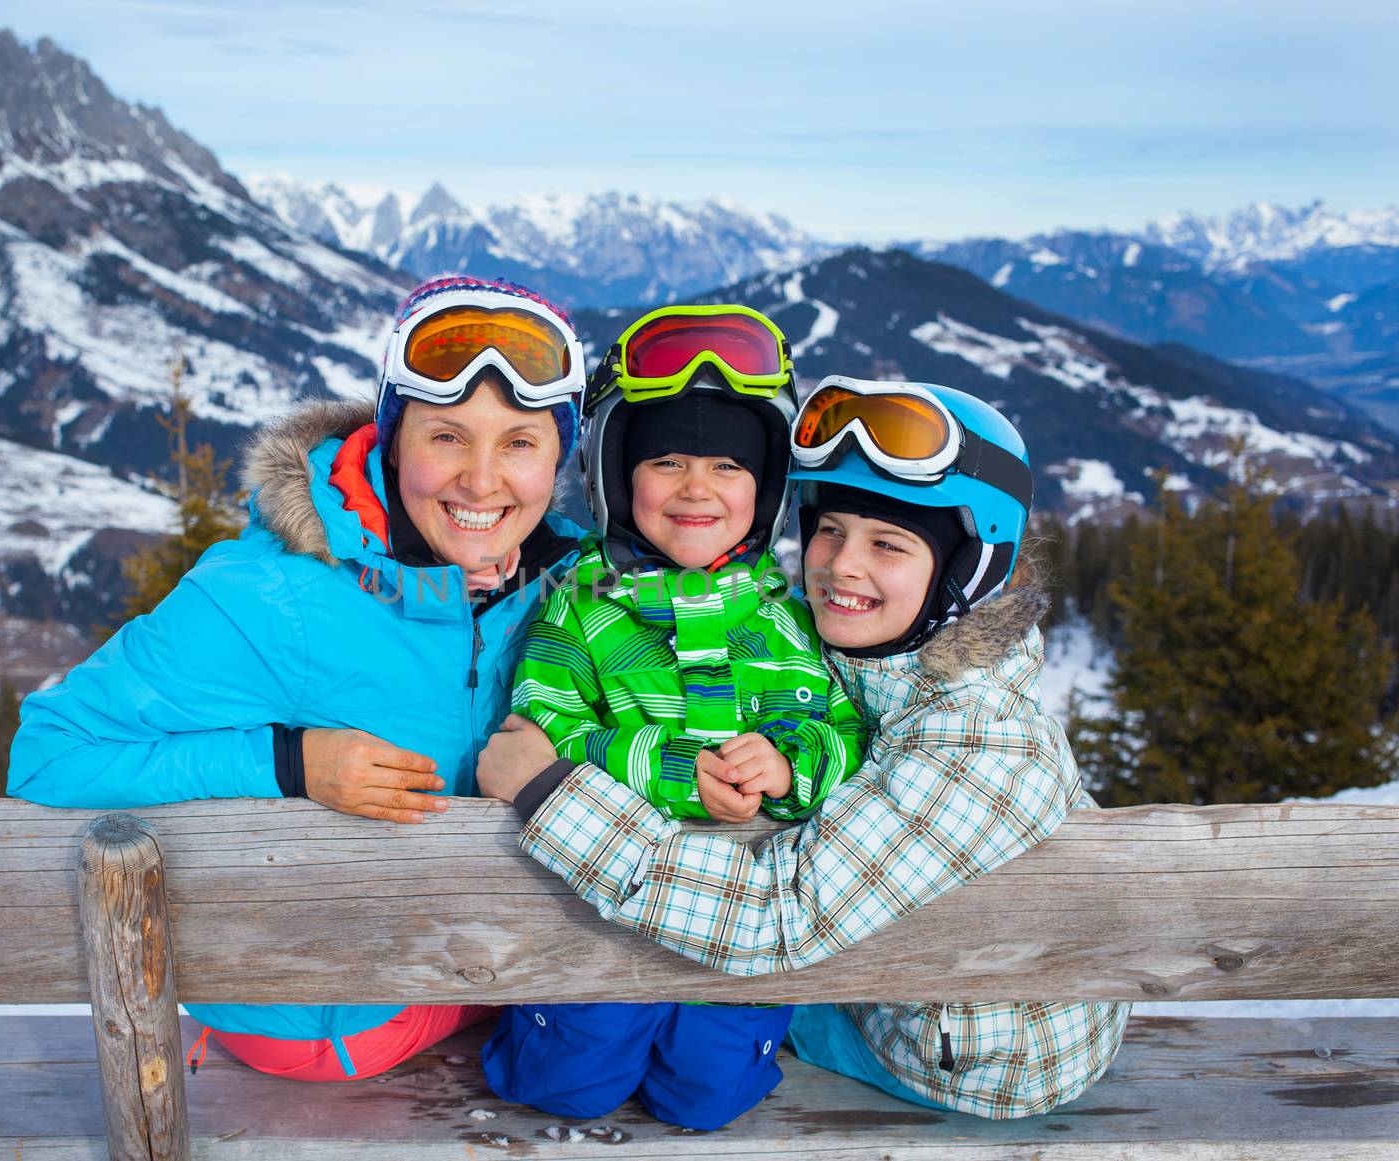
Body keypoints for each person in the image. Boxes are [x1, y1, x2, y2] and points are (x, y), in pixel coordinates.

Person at [479, 375, 1129, 1118]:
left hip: (975, 1059)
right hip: (894, 978)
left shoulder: (984, 744)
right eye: (829, 528)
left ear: (965, 572)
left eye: (888, 543)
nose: (840, 564)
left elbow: (773, 920)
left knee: (693, 1033)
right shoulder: (874, 659)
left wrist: (548, 790)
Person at [8, 275, 587, 1082]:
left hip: (448, 959)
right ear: (391, 438)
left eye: (519, 442)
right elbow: (48, 756)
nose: (482, 480)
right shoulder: (269, 596)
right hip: (330, 1015)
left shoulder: (564, 584)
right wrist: (289, 763)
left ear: (560, 456)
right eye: (447, 437)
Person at [480, 307, 867, 1130]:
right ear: (619, 477)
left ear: (764, 487)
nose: (698, 487)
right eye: (666, 460)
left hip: (739, 930)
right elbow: (536, 735)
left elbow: (847, 733)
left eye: (729, 463)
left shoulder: (790, 618)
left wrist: (791, 764)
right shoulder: (579, 606)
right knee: (566, 1084)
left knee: (706, 1098)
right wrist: (663, 769)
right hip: (597, 921)